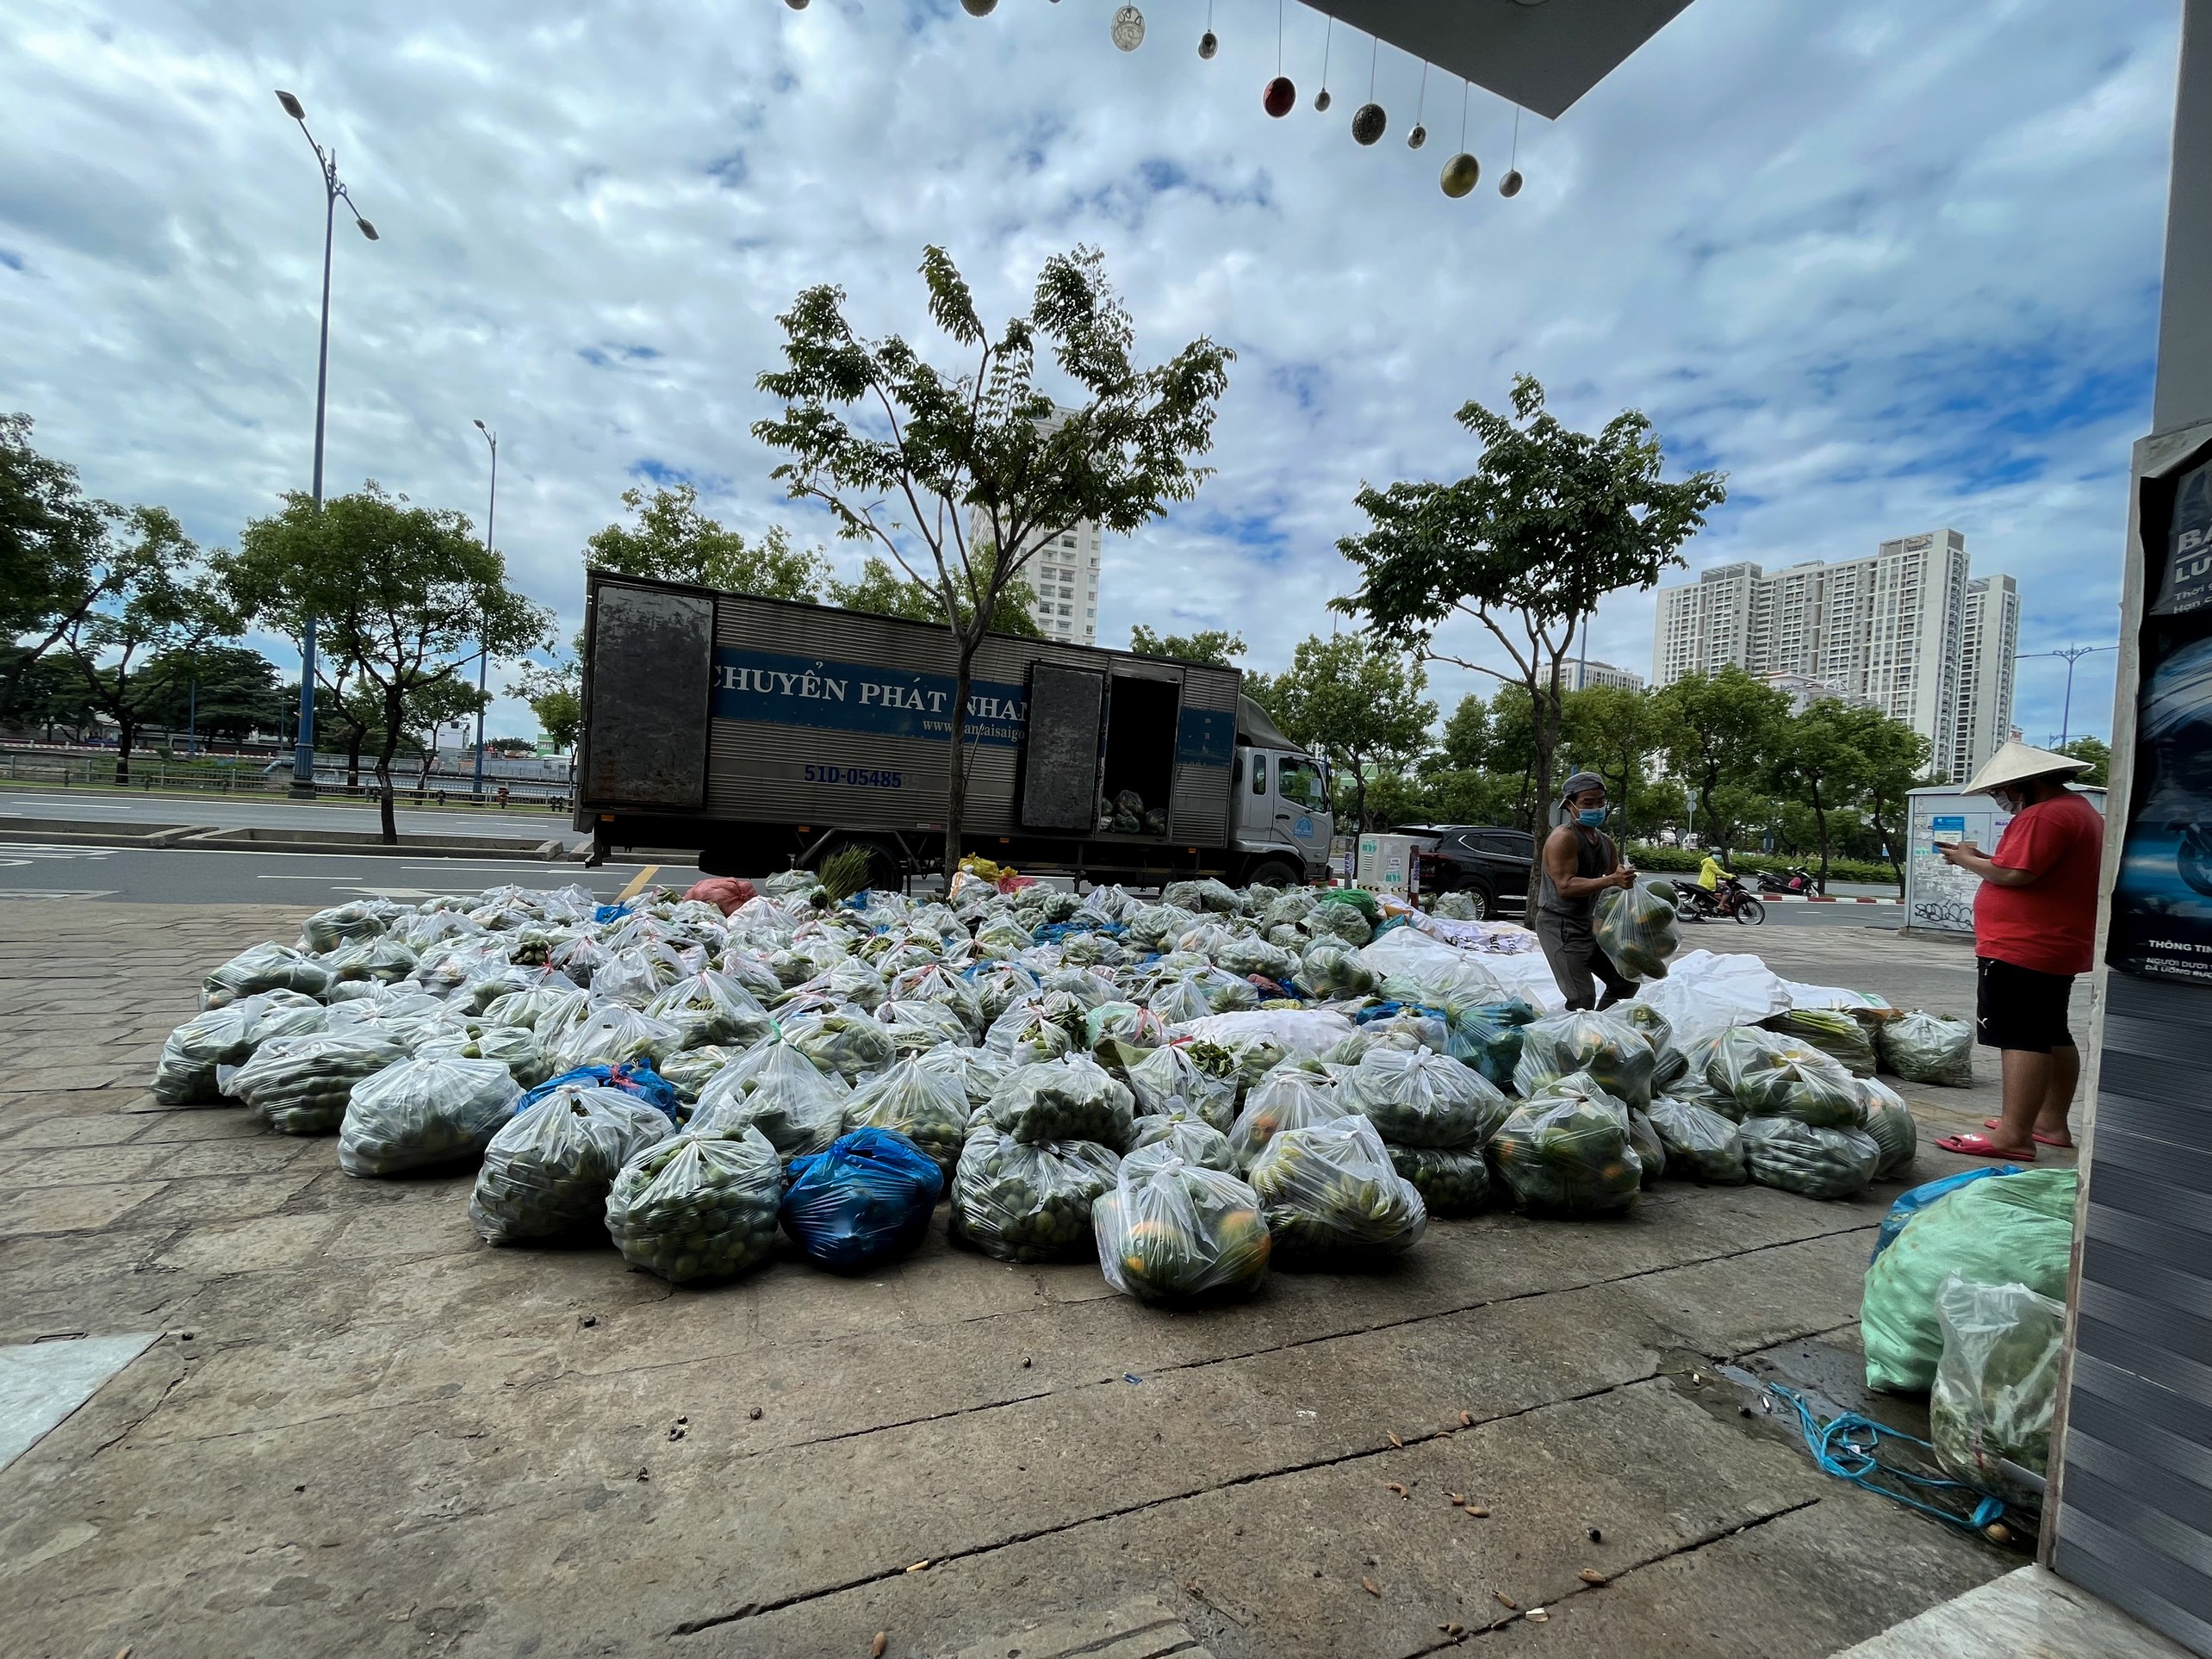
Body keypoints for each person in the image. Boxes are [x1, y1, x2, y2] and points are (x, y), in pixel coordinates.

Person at [1931, 741, 2103, 1160]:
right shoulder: (2079, 811)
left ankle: (2013, 1135)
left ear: (2026, 783)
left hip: (2023, 945)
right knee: (2050, 1031)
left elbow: (2014, 873)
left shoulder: (2044, 815)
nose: (2002, 798)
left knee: (2020, 1034)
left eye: (2002, 790)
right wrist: (1980, 859)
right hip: (2054, 942)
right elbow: (2027, 867)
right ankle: (2048, 1123)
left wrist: (1965, 859)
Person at [1537, 772, 1639, 1011]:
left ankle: (1602, 1031)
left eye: (1600, 802)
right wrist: (1612, 879)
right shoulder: (1563, 838)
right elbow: (1565, 886)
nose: (1596, 807)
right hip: (1559, 926)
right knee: (1581, 997)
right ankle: (1577, 1043)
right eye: (1588, 803)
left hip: (1588, 925)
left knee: (1624, 981)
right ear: (1570, 805)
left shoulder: (1605, 841)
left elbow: (1617, 879)